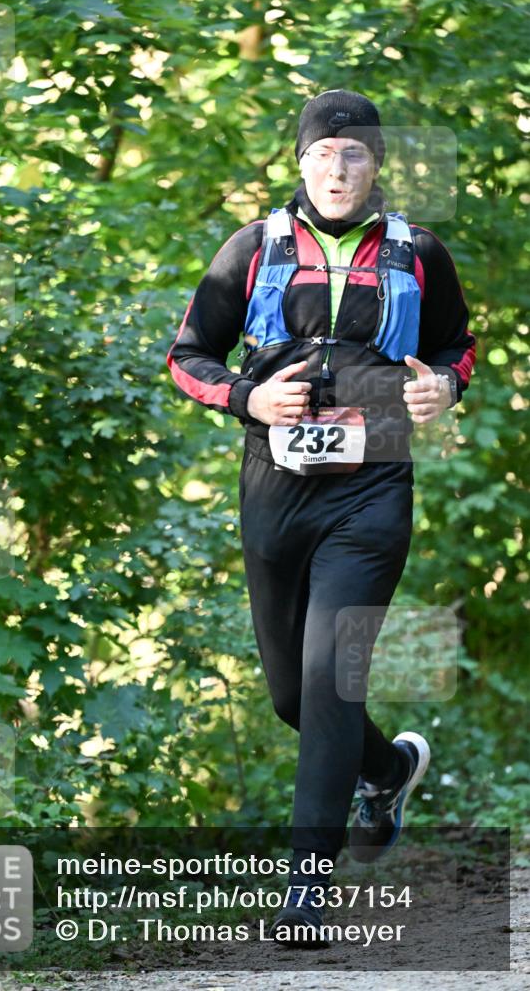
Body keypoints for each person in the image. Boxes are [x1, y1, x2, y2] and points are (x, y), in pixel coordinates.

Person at [166, 90, 475, 947]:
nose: (335, 170)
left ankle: (305, 888)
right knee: (292, 695)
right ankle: (386, 771)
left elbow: (458, 346)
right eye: (320, 155)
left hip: (371, 491)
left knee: (333, 676)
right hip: (275, 487)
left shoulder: (417, 252)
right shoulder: (253, 249)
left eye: (352, 156)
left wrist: (444, 385)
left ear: (376, 164)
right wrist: (245, 395)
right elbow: (185, 355)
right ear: (298, 162)